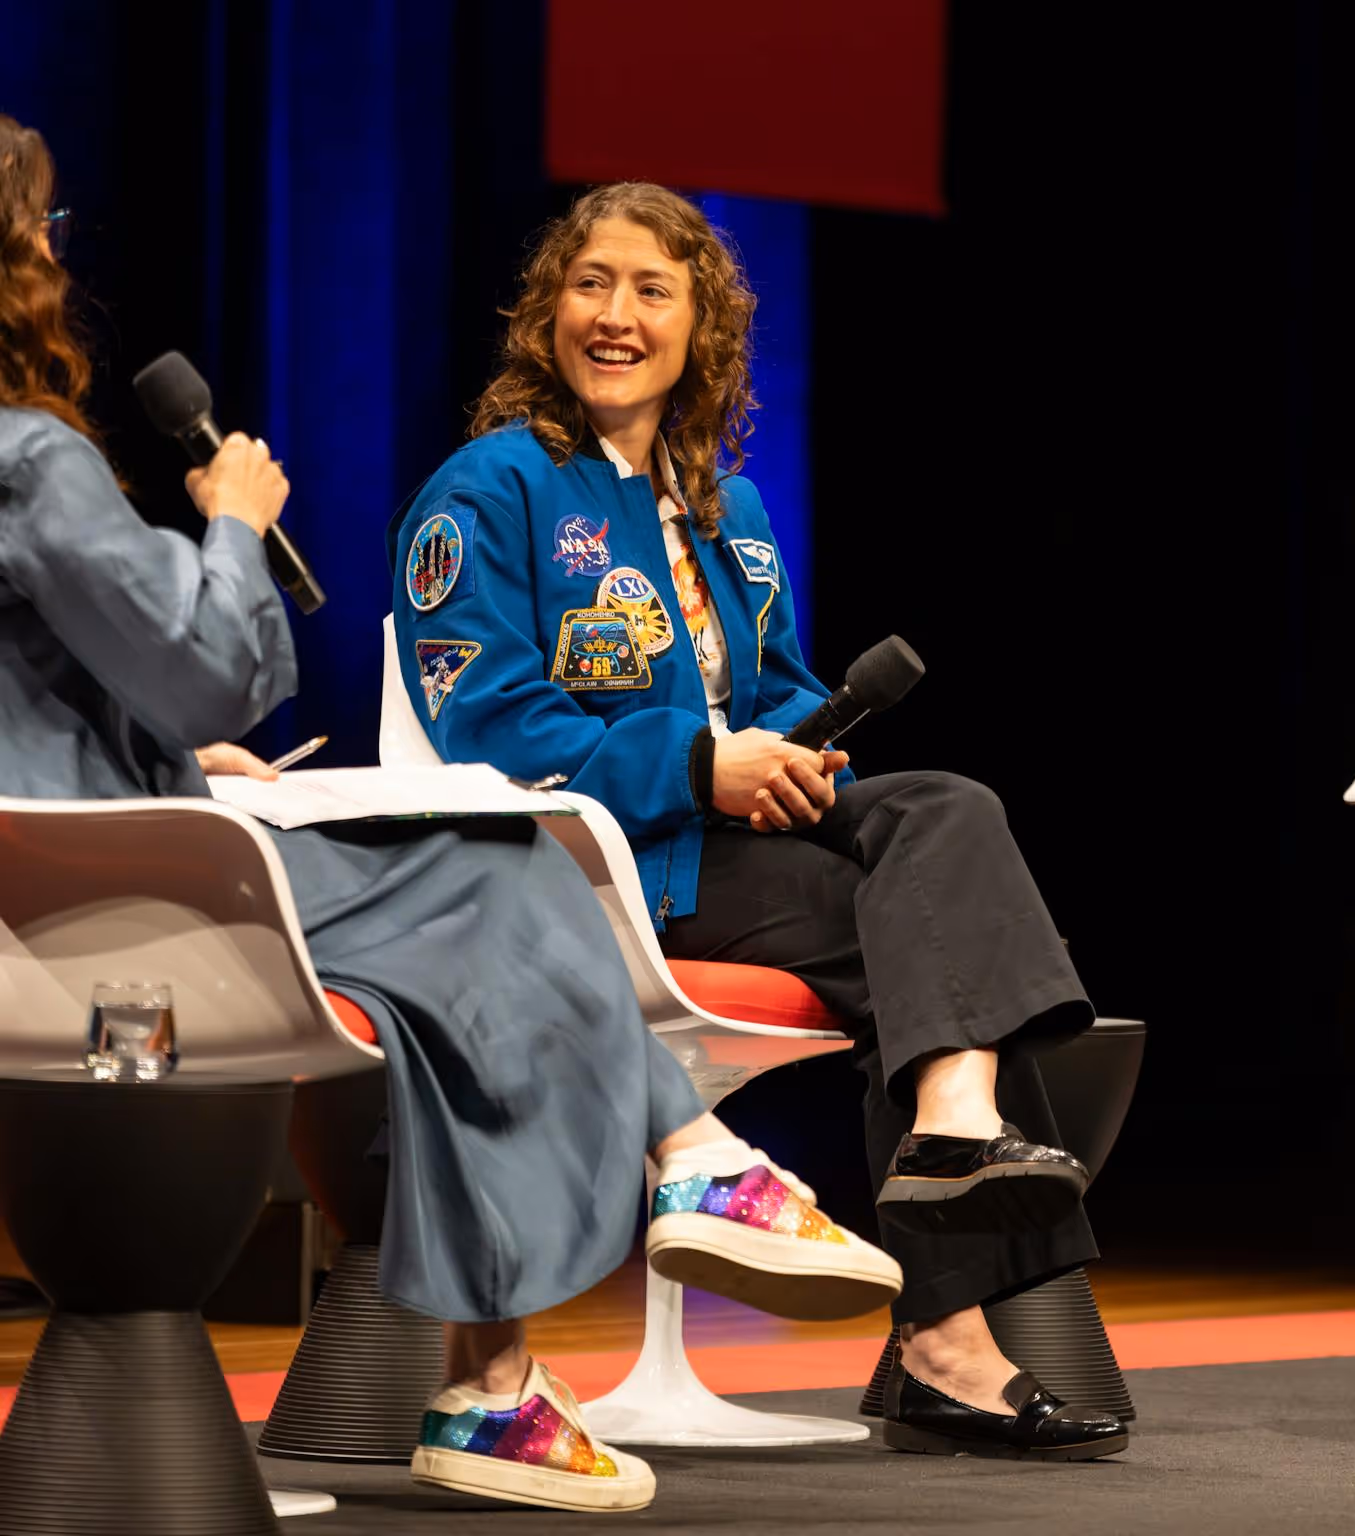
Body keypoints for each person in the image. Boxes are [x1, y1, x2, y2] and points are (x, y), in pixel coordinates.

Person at [0, 115, 901, 1515]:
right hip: (115, 901)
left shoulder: (728, 506)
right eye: (43, 238)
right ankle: (680, 1173)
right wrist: (233, 523)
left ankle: (510, 1377)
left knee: (473, 914)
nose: (57, 265)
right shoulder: (32, 461)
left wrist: (174, 764)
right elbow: (221, 663)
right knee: (493, 873)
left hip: (79, 856)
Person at [387, 181, 1127, 1461]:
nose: (615, 316)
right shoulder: (488, 490)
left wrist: (798, 754)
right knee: (951, 947)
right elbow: (490, 726)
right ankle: (946, 1336)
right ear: (545, 312)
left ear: (700, 329)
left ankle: (953, 1134)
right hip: (614, 866)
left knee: (948, 815)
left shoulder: (728, 502)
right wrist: (698, 764)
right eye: (590, 284)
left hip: (735, 837)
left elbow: (773, 686)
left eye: (651, 291)